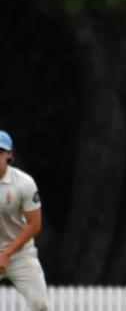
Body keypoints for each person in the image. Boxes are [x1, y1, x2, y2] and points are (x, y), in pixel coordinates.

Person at [0, 130, 49, 310]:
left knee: (39, 305)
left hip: (20, 253)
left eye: (0, 152)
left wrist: (6, 254)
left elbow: (35, 225)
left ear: (9, 155)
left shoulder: (24, 183)